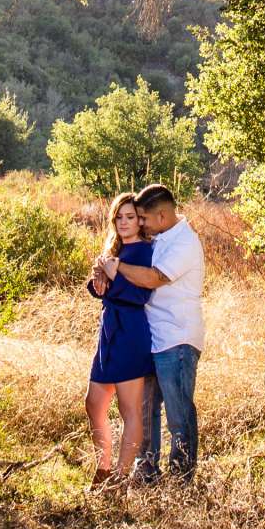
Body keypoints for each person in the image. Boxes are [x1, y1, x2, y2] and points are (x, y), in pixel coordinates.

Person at [97, 181, 204, 483]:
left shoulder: (184, 242)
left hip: (178, 338)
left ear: (161, 216)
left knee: (178, 413)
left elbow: (154, 278)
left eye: (142, 218)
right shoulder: (159, 238)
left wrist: (116, 266)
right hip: (151, 338)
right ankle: (147, 473)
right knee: (147, 412)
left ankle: (182, 480)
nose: (139, 223)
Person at [83, 192, 155, 487]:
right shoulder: (115, 249)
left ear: (140, 220)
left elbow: (141, 294)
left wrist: (114, 279)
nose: (124, 222)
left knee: (129, 410)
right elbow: (102, 286)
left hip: (131, 332)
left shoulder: (146, 252)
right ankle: (102, 467)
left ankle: (119, 478)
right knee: (94, 403)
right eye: (118, 217)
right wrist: (97, 282)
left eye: (130, 217)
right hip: (109, 333)